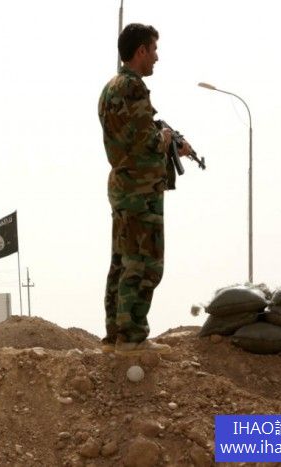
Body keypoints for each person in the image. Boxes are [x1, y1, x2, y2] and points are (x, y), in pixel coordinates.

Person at [98, 23, 192, 354]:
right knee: (144, 263)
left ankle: (115, 336)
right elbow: (145, 141)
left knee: (122, 261)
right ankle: (132, 338)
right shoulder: (133, 87)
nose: (156, 57)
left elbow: (128, 135)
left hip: (123, 185)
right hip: (140, 190)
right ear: (140, 51)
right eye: (153, 50)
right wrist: (166, 138)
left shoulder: (110, 89)